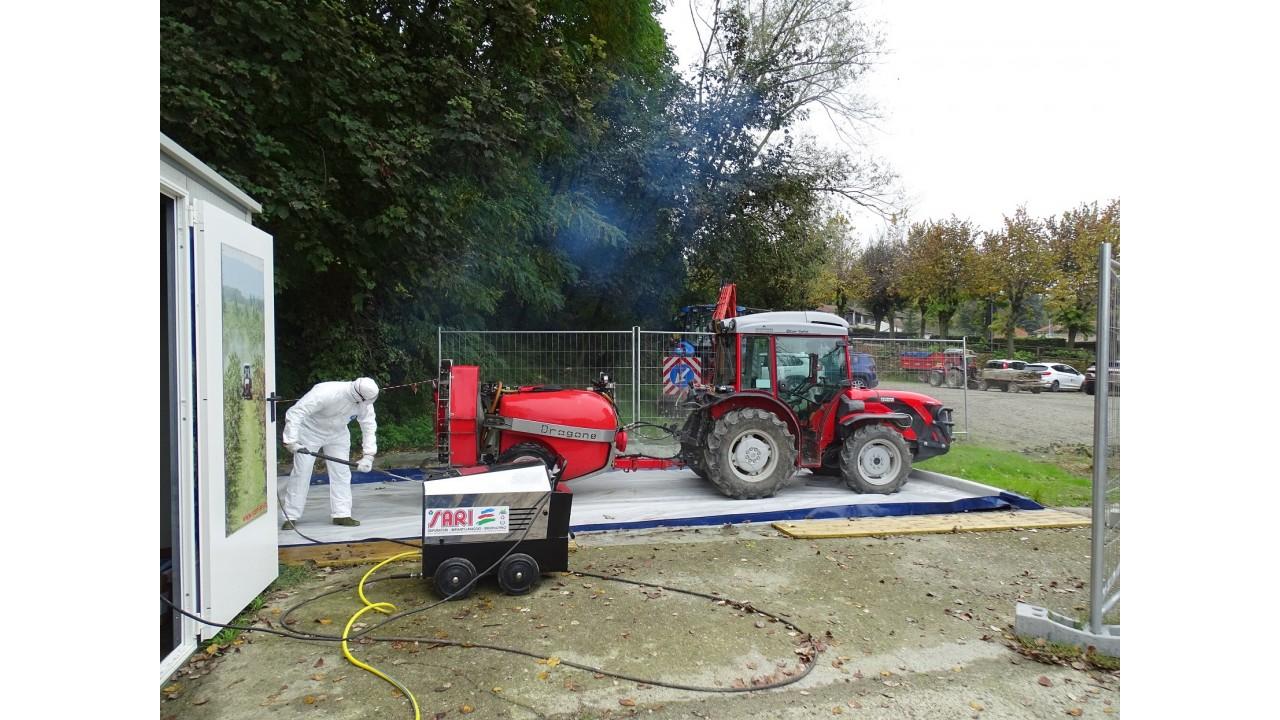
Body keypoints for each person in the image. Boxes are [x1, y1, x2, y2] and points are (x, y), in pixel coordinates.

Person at [279, 377, 379, 528]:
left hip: (338, 434)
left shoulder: (365, 402)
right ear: (358, 397)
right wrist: (291, 440)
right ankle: (290, 516)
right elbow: (296, 412)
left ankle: (342, 514)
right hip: (310, 432)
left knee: (341, 472)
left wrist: (369, 456)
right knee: (302, 473)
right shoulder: (326, 392)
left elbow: (369, 425)